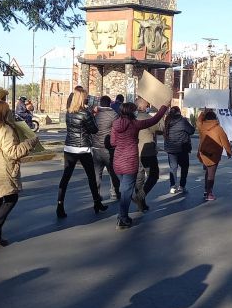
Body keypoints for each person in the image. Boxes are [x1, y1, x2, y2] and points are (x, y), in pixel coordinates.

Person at [0, 101, 39, 247]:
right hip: (1, 169)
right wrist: (30, 142)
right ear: (4, 113)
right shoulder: (4, 129)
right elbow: (13, 152)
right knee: (11, 198)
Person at [110, 101, 169, 229]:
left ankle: (126, 213)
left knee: (124, 188)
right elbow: (154, 120)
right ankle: (122, 218)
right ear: (131, 112)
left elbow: (113, 142)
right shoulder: (135, 124)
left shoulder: (115, 124)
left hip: (117, 161)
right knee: (126, 191)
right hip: (129, 161)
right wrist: (164, 106)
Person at [56, 86, 106, 218]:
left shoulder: (68, 112)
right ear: (82, 98)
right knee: (91, 177)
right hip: (83, 148)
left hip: (69, 148)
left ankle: (59, 205)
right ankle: (96, 202)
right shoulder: (85, 113)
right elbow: (94, 129)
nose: (87, 98)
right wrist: (93, 115)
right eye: (86, 96)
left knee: (65, 178)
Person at [133, 98, 164, 211]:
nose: (148, 106)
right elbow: (161, 129)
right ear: (143, 107)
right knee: (153, 176)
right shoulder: (148, 118)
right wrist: (160, 116)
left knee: (139, 179)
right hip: (148, 152)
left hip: (135, 152)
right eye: (147, 105)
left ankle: (141, 204)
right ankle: (140, 196)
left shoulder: (133, 118)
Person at [197, 110, 232, 201]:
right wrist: (229, 152)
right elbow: (225, 141)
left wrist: (203, 113)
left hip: (203, 153)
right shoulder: (218, 128)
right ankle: (209, 194)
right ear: (215, 118)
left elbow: (198, 121)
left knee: (208, 172)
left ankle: (206, 190)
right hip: (213, 155)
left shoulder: (201, 126)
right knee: (211, 175)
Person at [91, 95, 120, 201]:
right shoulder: (114, 115)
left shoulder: (95, 115)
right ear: (109, 103)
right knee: (113, 172)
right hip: (109, 148)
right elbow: (117, 129)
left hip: (96, 147)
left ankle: (96, 194)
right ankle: (114, 193)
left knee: (96, 173)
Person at [163, 106, 195, 195]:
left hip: (171, 149)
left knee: (173, 168)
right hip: (182, 149)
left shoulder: (167, 121)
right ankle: (182, 186)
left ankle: (173, 186)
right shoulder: (183, 121)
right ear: (179, 112)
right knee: (184, 167)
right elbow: (192, 131)